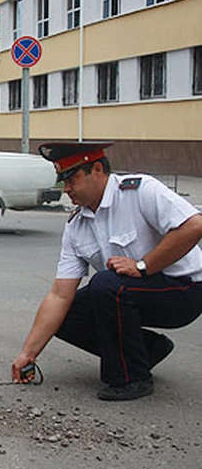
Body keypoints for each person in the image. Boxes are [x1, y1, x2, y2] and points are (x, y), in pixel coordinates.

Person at [12, 142, 202, 401]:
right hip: (132, 292)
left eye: (72, 179)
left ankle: (131, 378)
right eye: (62, 181)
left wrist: (143, 266)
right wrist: (28, 353)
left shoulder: (140, 190)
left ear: (97, 169)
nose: (66, 189)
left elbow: (194, 226)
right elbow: (59, 294)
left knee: (107, 284)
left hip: (185, 290)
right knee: (65, 314)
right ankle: (148, 350)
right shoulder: (76, 225)